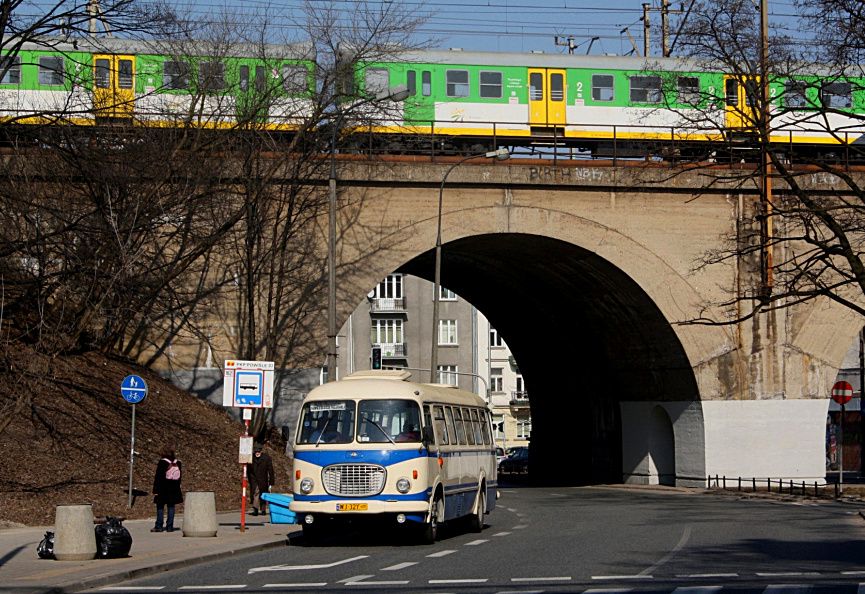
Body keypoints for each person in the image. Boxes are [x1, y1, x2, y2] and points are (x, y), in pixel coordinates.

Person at [151, 448, 183, 533]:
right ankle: (170, 526)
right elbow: (179, 477)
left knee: (160, 506)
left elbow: (158, 477)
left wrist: (155, 490)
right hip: (174, 488)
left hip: (163, 487)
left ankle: (159, 526)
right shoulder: (177, 463)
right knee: (171, 506)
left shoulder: (162, 463)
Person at [247, 444, 275, 517]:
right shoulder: (251, 458)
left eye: (258, 451)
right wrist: (249, 478)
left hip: (263, 479)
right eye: (256, 451)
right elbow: (248, 469)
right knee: (255, 492)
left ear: (261, 451)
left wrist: (271, 481)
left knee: (262, 494)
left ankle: (263, 509)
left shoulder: (266, 458)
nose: (257, 453)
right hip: (254, 478)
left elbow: (270, 470)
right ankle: (255, 509)